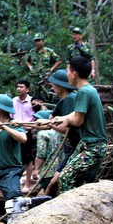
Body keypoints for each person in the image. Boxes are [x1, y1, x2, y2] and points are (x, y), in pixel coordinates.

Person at [50, 57, 108, 193]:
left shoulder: (84, 92)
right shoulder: (88, 90)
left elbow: (77, 120)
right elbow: (77, 113)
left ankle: (70, 209)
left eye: (68, 71)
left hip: (94, 146)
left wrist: (67, 121)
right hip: (88, 144)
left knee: (65, 177)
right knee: (80, 178)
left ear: (74, 74)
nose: (67, 75)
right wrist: (60, 118)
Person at [36, 69, 79, 197]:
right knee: (53, 183)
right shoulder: (62, 102)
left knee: (56, 181)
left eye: (53, 84)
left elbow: (65, 128)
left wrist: (49, 124)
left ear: (60, 86)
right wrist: (19, 123)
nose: (52, 87)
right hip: (74, 148)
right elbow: (47, 123)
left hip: (80, 147)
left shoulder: (72, 99)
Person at [28, 110, 63, 194]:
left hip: (48, 170)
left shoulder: (43, 134)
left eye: (37, 120)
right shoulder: (60, 133)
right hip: (59, 169)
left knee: (46, 193)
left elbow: (41, 154)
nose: (35, 122)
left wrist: (36, 169)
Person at [12, 80, 36, 193]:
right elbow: (10, 115)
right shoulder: (13, 101)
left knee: (28, 159)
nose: (18, 89)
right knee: (14, 157)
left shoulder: (32, 101)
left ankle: (27, 184)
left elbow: (37, 116)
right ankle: (13, 182)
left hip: (27, 132)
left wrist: (28, 125)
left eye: (21, 87)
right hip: (15, 132)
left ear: (27, 89)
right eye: (17, 86)